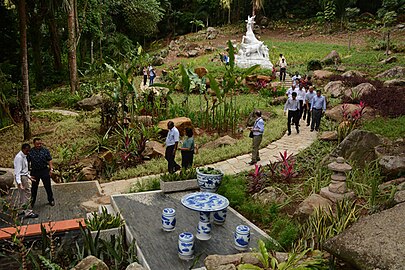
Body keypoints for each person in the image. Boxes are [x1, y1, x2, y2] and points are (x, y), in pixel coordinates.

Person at [14, 144, 38, 218]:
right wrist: (19, 183)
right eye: (27, 150)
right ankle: (28, 212)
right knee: (27, 194)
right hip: (21, 178)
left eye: (29, 150)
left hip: (24, 176)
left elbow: (24, 170)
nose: (28, 152)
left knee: (22, 195)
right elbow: (18, 171)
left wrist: (29, 177)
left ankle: (21, 210)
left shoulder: (24, 156)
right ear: (23, 149)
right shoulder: (19, 157)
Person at [28, 138, 55, 207]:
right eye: (37, 144)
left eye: (40, 143)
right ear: (34, 144)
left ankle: (51, 199)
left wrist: (51, 169)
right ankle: (32, 202)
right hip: (35, 171)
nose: (39, 145)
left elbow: (49, 160)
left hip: (44, 170)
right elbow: (27, 162)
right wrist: (28, 172)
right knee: (34, 188)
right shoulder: (30, 152)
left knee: (48, 186)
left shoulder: (45, 150)